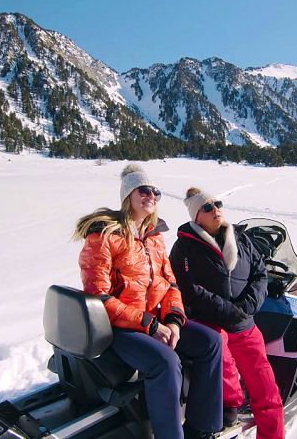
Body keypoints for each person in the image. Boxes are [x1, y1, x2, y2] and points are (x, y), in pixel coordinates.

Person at [73, 165, 223, 439]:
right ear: (128, 194)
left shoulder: (154, 237)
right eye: (144, 190)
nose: (151, 196)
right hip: (120, 328)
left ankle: (201, 428)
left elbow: (170, 284)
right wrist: (149, 325)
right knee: (165, 362)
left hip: (157, 320)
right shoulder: (104, 236)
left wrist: (174, 320)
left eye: (156, 191)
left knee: (210, 342)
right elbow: (98, 296)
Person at [170, 187, 285, 439]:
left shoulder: (241, 239)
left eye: (217, 204)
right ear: (196, 215)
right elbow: (188, 289)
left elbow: (260, 275)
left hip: (244, 325)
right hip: (210, 323)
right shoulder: (184, 247)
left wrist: (245, 308)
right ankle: (229, 407)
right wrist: (227, 311)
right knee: (222, 362)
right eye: (207, 207)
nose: (216, 210)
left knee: (266, 389)